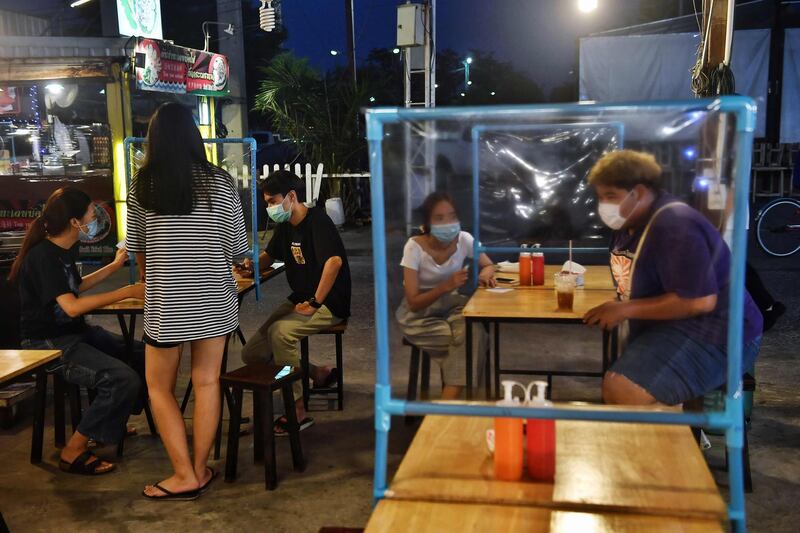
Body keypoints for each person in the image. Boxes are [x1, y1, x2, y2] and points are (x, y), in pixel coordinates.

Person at [127, 103, 249, 500]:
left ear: (154, 139)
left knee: (159, 387)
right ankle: (198, 469)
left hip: (166, 303)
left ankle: (183, 475)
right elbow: (237, 249)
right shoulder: (221, 183)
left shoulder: (143, 185)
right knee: (207, 381)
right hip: (215, 301)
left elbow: (139, 250)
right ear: (196, 136)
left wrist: (155, 277)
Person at [582, 150, 763, 406]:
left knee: (624, 388)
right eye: (600, 197)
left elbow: (700, 302)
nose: (605, 205)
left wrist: (625, 308)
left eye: (611, 196)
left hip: (719, 333)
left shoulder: (675, 227)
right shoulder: (628, 223)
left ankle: (665, 442)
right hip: (676, 325)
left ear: (640, 193)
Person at [10, 186, 145, 475]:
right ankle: (73, 451)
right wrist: (126, 291)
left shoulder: (61, 251)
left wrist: (114, 265)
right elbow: (71, 306)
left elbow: (77, 286)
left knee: (141, 353)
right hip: (48, 342)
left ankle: (107, 424)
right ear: (74, 222)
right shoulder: (43, 256)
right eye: (90, 214)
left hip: (74, 333)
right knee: (121, 378)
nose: (94, 218)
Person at [236, 170, 351, 435]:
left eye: (273, 201)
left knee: (281, 334)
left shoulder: (318, 221)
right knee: (252, 353)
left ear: (291, 196)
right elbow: (270, 254)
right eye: (267, 203)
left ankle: (297, 411)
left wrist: (314, 301)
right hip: (299, 299)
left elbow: (334, 262)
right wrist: (251, 266)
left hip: (328, 303)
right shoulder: (286, 226)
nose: (270, 207)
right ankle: (316, 373)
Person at [396, 192, 496, 400]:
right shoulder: (413, 247)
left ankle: (445, 409)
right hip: (419, 316)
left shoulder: (465, 240)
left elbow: (488, 264)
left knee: (474, 332)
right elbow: (413, 302)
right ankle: (450, 408)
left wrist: (485, 275)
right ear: (428, 223)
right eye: (439, 218)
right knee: (469, 344)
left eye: (452, 216)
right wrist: (446, 285)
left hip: (452, 306)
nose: (448, 223)